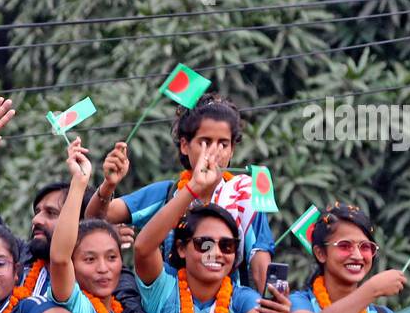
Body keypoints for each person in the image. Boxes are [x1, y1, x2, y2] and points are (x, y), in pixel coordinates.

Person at [0, 98, 150, 313]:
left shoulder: (107, 272)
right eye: (37, 212)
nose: (36, 220)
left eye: (51, 213)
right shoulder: (18, 258)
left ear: (79, 224)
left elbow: (132, 310)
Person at [88, 94, 274, 291]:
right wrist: (109, 184)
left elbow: (260, 264)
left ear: (232, 150)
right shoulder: (168, 193)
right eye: (205, 142)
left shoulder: (244, 194)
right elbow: (94, 219)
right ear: (185, 145)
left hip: (230, 312)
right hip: (171, 310)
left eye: (223, 144)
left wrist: (275, 311)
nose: (214, 152)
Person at [133, 147, 291, 313]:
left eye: (227, 246)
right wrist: (193, 188)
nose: (215, 253)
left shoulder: (240, 297)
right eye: (204, 244)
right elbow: (143, 248)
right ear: (181, 248)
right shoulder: (165, 288)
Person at [49, 138, 157, 313]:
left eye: (111, 257)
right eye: (89, 259)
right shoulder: (76, 305)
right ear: (72, 264)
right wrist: (79, 181)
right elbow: (59, 258)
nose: (103, 268)